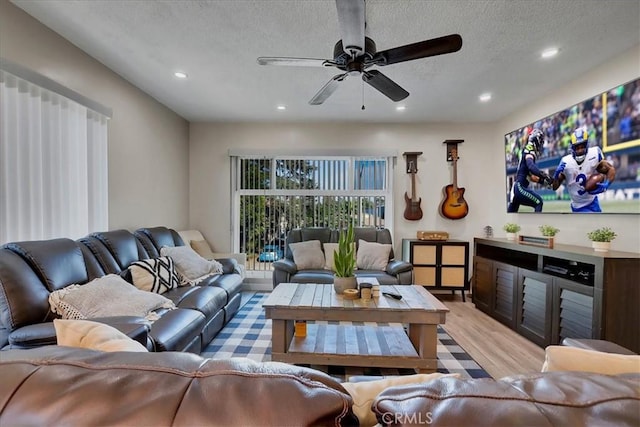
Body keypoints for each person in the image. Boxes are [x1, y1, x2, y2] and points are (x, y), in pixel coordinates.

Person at [551, 128, 616, 212]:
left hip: (593, 202)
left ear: (587, 145)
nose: (580, 150)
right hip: (578, 206)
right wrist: (556, 175)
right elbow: (554, 187)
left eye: (582, 146)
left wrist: (606, 185)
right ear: (572, 148)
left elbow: (610, 169)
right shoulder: (566, 162)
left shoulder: (594, 155)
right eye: (577, 147)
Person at [507, 128, 552, 212]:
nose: (541, 144)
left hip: (517, 188)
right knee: (539, 202)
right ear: (536, 140)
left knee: (510, 217)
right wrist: (543, 174)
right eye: (541, 141)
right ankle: (537, 224)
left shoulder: (527, 150)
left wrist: (543, 182)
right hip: (520, 187)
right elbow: (531, 166)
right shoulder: (529, 150)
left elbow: (531, 177)